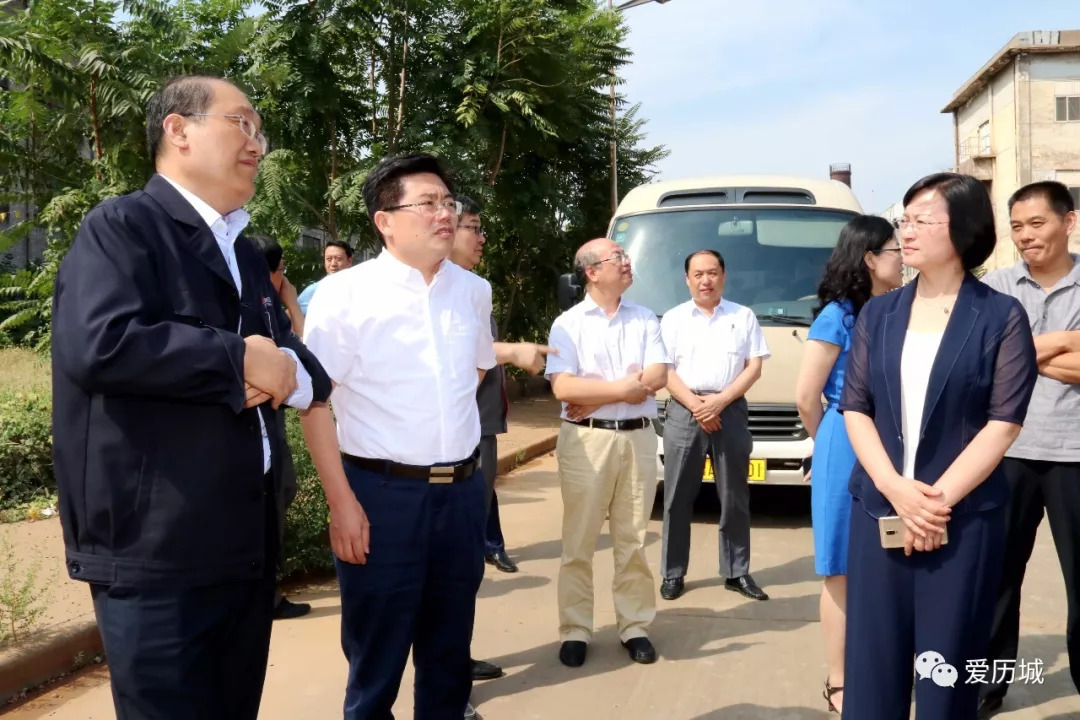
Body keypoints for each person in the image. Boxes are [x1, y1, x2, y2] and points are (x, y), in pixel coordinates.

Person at [50, 75, 331, 719]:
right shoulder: (121, 228)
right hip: (156, 555)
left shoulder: (248, 254)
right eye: (243, 124)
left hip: (244, 545)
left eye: (259, 130)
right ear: (178, 130)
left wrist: (281, 366)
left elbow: (304, 365)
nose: (258, 144)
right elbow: (100, 343)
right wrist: (236, 358)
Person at [301, 153, 495, 719]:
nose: (445, 214)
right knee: (376, 661)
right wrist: (342, 505)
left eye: (449, 203)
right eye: (428, 203)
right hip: (381, 497)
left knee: (449, 656)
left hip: (460, 495)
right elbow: (314, 403)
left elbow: (475, 372)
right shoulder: (345, 295)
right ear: (385, 220)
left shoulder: (472, 291)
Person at [839, 172, 1038, 719]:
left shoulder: (1000, 317)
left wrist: (932, 502)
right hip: (879, 511)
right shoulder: (879, 314)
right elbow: (855, 407)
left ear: (964, 230)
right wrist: (894, 489)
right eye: (905, 218)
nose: (906, 229)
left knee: (945, 675)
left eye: (922, 219)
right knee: (872, 669)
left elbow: (1004, 422)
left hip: (962, 521)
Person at [447, 194, 555, 719]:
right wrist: (510, 350)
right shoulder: (429, 293)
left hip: (480, 430)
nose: (479, 237)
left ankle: (455, 663)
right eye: (472, 227)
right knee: (444, 568)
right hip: (441, 446)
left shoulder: (474, 290)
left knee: (465, 565)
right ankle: (446, 685)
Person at [794, 216, 904, 714]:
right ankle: (839, 680)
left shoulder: (905, 307)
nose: (905, 256)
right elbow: (806, 396)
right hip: (844, 433)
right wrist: (828, 446)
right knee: (840, 567)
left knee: (890, 560)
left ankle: (886, 665)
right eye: (896, 248)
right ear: (870, 258)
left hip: (897, 437)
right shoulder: (838, 316)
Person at [979, 181, 1080, 718]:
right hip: (1008, 452)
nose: (1025, 236)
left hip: (1075, 453)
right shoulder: (996, 286)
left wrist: (1022, 353)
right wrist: (1066, 343)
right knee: (996, 579)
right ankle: (987, 687)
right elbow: (986, 359)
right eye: (1016, 226)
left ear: (1069, 221)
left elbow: (1010, 357)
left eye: (1036, 223)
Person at [544, 238, 669, 668]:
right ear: (592, 272)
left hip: (638, 438)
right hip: (586, 441)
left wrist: (598, 395)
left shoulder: (645, 319)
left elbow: (656, 374)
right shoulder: (568, 324)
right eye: (619, 257)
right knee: (579, 541)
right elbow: (564, 388)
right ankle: (576, 629)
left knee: (632, 539)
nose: (628, 262)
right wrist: (622, 389)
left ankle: (634, 625)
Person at [658, 249, 770, 602]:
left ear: (723, 275)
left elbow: (754, 366)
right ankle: (673, 572)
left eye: (712, 273)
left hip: (730, 408)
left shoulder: (743, 316)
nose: (706, 280)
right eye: (698, 274)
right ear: (687, 279)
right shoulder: (673, 319)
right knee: (677, 495)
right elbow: (664, 370)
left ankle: (737, 572)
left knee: (735, 495)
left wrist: (720, 401)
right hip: (683, 410)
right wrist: (696, 405)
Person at [249, 234, 314, 620]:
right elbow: (307, 355)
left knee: (280, 495)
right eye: (282, 270)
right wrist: (289, 301)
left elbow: (308, 366)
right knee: (272, 502)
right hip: (260, 431)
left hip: (270, 426)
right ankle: (264, 595)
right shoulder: (261, 310)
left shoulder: (266, 308)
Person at [297, 238, 353, 315]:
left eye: (339, 259)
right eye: (329, 259)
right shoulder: (313, 290)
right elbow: (291, 316)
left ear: (349, 261)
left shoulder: (360, 288)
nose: (333, 264)